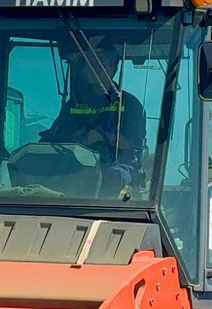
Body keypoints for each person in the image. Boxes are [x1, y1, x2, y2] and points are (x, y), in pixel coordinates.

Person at [39, 35, 146, 194]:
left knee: (113, 175)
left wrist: (102, 137)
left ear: (112, 67)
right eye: (87, 62)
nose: (91, 68)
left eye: (99, 63)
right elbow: (57, 137)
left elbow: (133, 148)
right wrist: (82, 139)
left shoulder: (130, 104)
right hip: (78, 166)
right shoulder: (73, 104)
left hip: (117, 167)